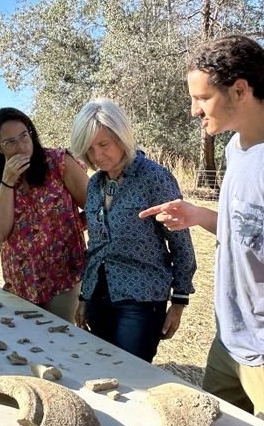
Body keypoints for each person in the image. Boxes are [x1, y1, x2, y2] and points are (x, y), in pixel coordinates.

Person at [139, 35, 264, 426]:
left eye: (202, 98)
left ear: (240, 90)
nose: (194, 110)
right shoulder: (236, 147)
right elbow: (250, 232)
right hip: (230, 344)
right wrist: (198, 215)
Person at [70, 98, 196, 363]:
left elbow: (181, 242)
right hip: (98, 297)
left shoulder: (154, 178)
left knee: (132, 374)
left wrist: (179, 301)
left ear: (121, 137)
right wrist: (84, 296)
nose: (97, 156)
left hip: (141, 300)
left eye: (103, 144)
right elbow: (96, 245)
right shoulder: (95, 184)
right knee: (101, 369)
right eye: (89, 149)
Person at [0, 107, 88, 322]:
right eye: (10, 142)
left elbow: (95, 205)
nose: (21, 147)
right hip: (21, 281)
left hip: (64, 276)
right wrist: (7, 181)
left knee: (61, 337)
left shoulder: (58, 162)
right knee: (26, 340)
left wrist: (74, 225)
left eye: (24, 136)